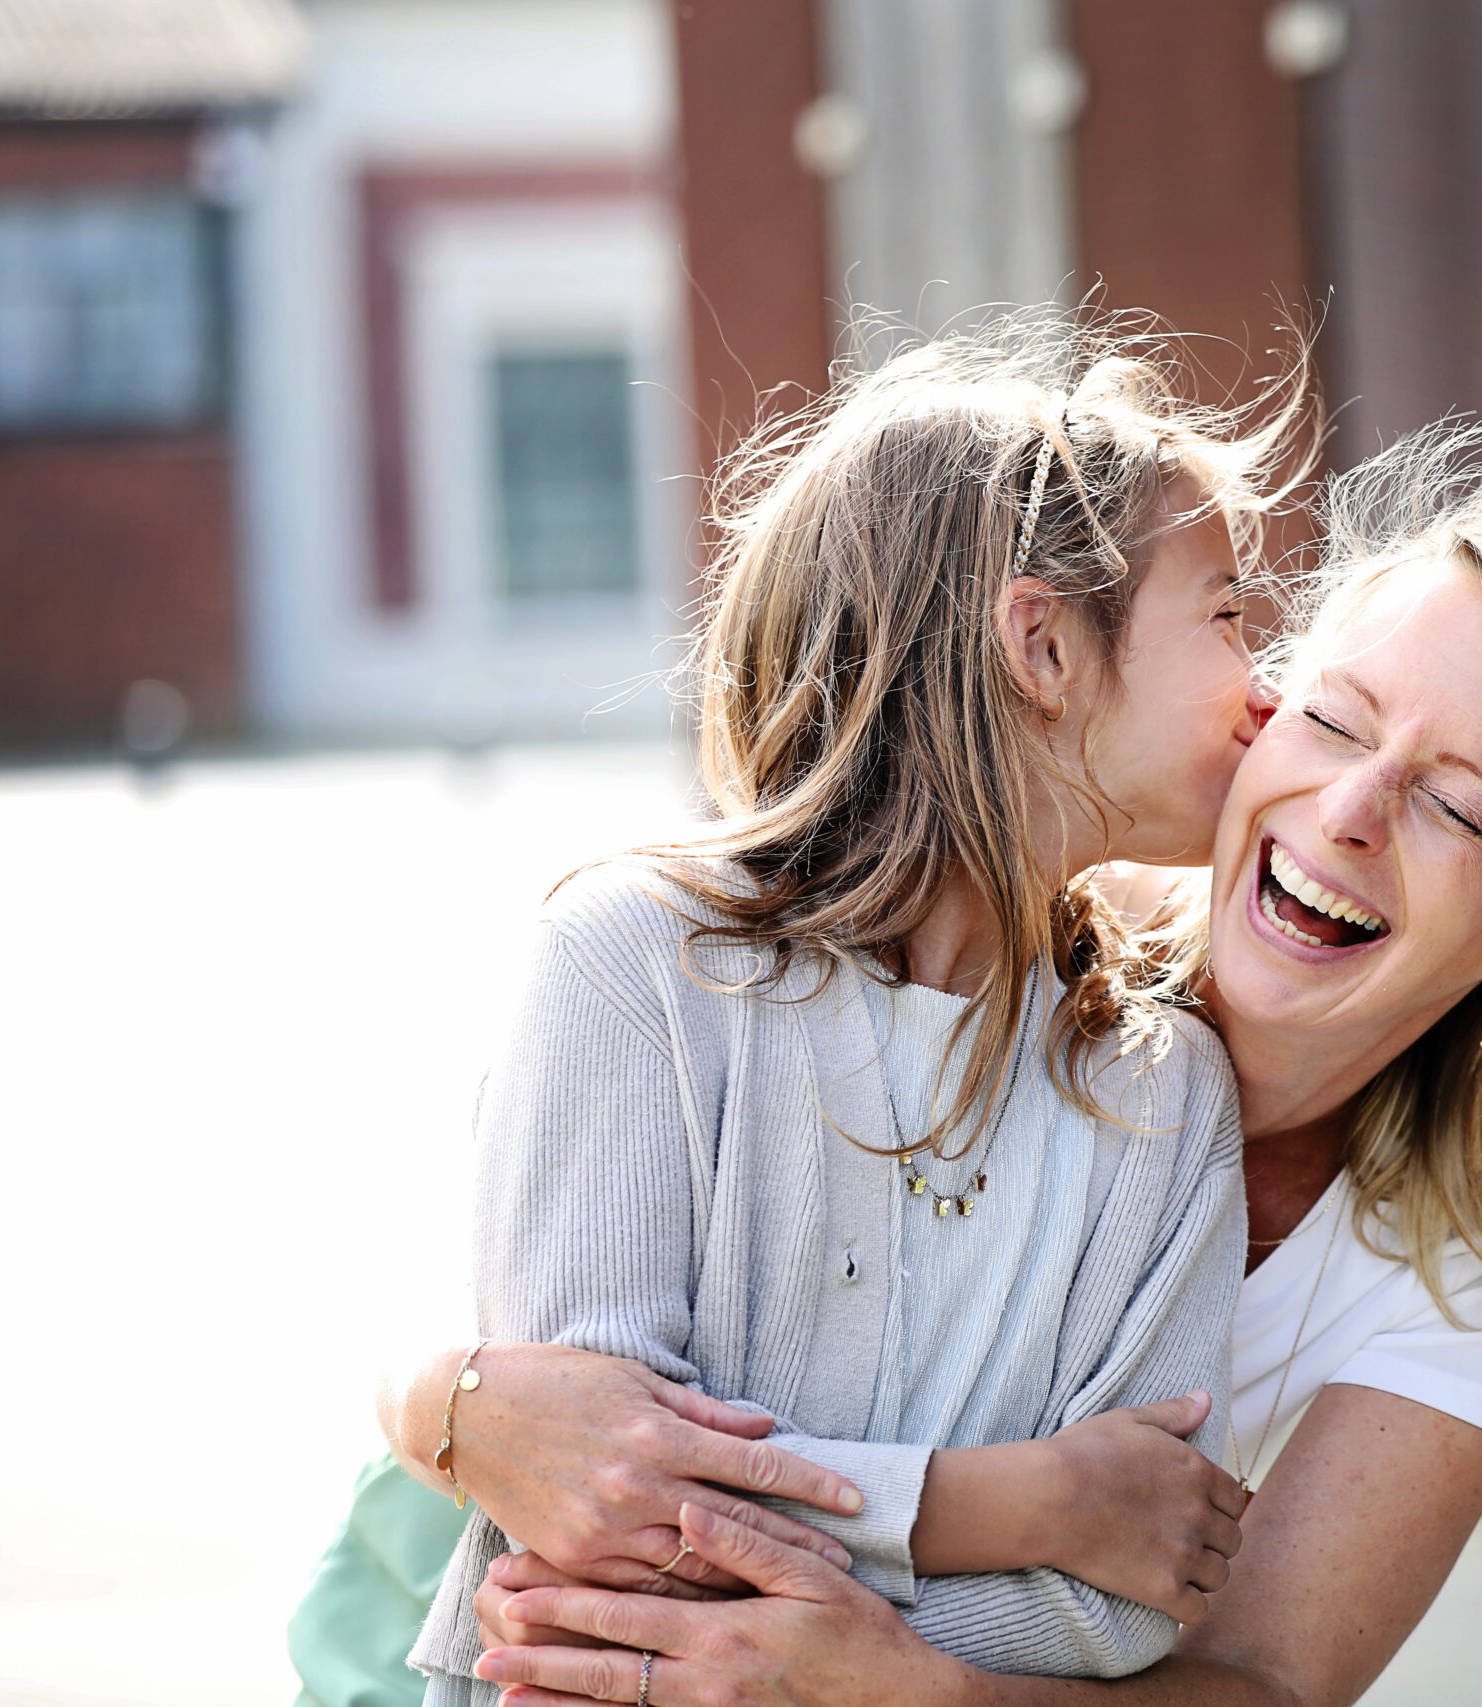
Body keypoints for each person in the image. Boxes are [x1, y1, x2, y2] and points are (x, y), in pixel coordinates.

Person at [431, 422, 1482, 1707]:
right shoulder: (774, 962)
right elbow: (570, 1447)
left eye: (1459, 806)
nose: (1351, 815)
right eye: (1333, 720)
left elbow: (1222, 1661)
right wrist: (437, 1397)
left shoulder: (1203, 1127)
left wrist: (900, 1690)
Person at [293, 312, 1321, 1707]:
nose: (1270, 694)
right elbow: (601, 1543)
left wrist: (834, 1660)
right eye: (1225, 615)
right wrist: (1008, 1509)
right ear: (1045, 645)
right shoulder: (633, 967)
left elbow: (1120, 1604)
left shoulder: (1169, 1092)